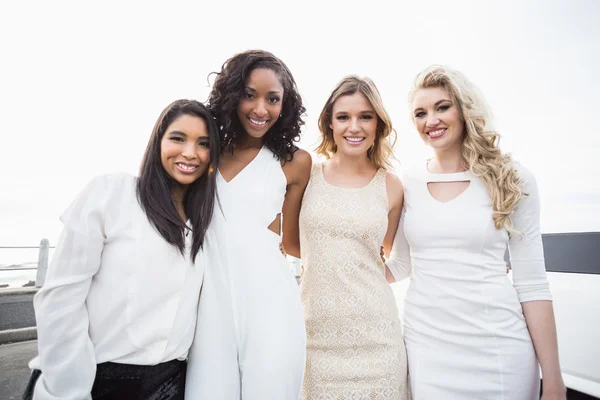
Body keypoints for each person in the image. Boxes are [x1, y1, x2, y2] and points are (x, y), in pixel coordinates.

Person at [387, 65, 566, 399]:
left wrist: (553, 379)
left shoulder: (512, 179)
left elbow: (532, 282)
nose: (431, 121)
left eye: (442, 107)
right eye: (420, 113)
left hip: (498, 347)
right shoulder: (405, 183)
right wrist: (334, 263)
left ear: (465, 109)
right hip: (427, 348)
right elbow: (399, 265)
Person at [23, 99, 220, 400]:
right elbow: (60, 299)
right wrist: (69, 390)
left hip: (171, 384)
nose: (190, 153)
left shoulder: (206, 222)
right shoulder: (112, 194)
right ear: (158, 142)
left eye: (203, 144)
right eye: (178, 138)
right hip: (93, 379)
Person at [185, 50, 311, 399]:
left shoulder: (295, 163)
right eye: (249, 94)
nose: (260, 109)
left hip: (272, 306)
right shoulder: (204, 154)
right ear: (231, 95)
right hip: (208, 308)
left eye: (273, 99)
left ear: (285, 106)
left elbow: (294, 243)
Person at [299, 76, 409, 399]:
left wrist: (360, 276)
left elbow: (391, 257)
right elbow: (290, 241)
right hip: (314, 342)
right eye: (343, 117)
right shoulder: (306, 174)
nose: (354, 127)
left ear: (378, 124)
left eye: (365, 116)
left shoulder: (391, 186)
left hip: (378, 343)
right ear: (329, 124)